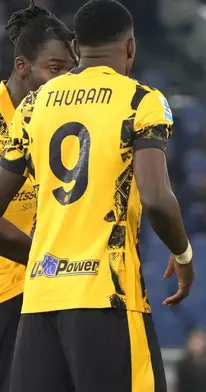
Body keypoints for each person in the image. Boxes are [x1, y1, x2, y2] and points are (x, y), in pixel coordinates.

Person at [0, 1, 194, 391]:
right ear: (130, 47)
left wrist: (41, 256)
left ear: (76, 46)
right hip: (107, 296)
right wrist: (184, 256)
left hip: (39, 300)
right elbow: (156, 197)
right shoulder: (141, 100)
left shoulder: (34, 105)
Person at [0, 3, 77, 391]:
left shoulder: (68, 124)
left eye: (70, 70)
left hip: (48, 290)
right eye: (55, 69)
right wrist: (45, 259)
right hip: (9, 292)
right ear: (21, 67)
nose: (64, 80)